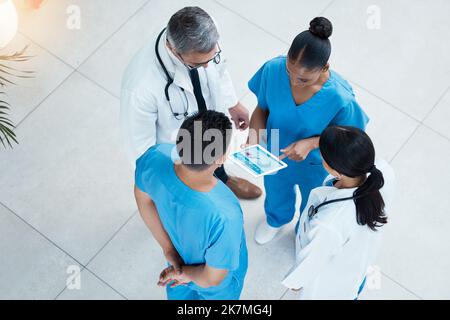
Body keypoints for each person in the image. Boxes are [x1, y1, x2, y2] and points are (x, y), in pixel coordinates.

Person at [246, 17, 369, 244]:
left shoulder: (340, 98)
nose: (293, 81)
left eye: (303, 78)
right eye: (289, 72)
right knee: (275, 191)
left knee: (312, 202)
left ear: (324, 68)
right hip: (272, 150)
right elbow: (262, 108)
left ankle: (303, 231)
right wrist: (253, 138)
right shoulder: (273, 69)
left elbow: (350, 139)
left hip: (315, 162)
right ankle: (276, 219)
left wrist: (311, 143)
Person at [121, 6, 261, 199]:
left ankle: (221, 177)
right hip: (176, 148)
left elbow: (220, 69)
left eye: (210, 58)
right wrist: (160, 186)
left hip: (206, 120)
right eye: (197, 64)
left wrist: (232, 102)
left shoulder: (206, 31)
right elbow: (140, 148)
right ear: (173, 49)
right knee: (190, 180)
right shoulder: (141, 87)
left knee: (212, 151)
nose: (206, 66)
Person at [134, 110, 248, 300]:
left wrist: (169, 250)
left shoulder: (154, 158)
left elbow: (142, 199)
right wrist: (184, 274)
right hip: (215, 288)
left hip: (177, 262)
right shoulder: (225, 214)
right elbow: (212, 278)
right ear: (220, 159)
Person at [281, 126, 395, 299]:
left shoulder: (330, 223)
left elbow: (312, 261)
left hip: (330, 284)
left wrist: (296, 282)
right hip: (355, 261)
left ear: (336, 171)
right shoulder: (380, 171)